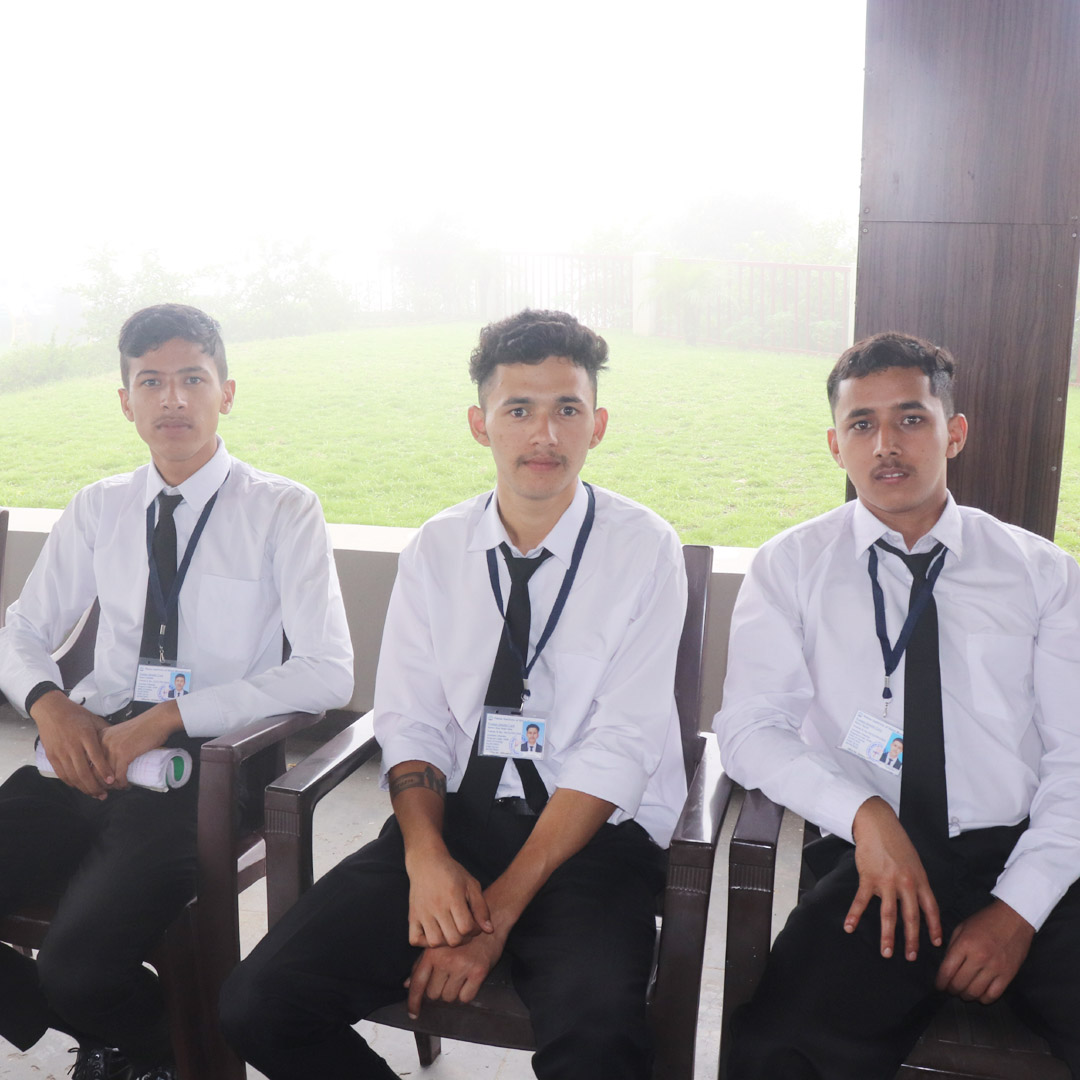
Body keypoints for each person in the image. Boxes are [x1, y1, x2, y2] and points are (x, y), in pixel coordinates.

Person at [221, 308, 688, 1080]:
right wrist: (426, 855)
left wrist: (493, 918)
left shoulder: (644, 549)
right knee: (259, 1005)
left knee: (599, 1041)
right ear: (481, 424)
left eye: (567, 409)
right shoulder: (438, 547)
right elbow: (412, 719)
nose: (545, 435)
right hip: (461, 820)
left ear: (598, 425)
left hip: (592, 838)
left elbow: (621, 745)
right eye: (519, 409)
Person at [0, 304, 354, 1080]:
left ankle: (150, 1045)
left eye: (192, 378)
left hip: (204, 768)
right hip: (86, 749)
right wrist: (49, 704)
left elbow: (330, 670)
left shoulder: (281, 509)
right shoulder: (100, 507)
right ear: (125, 401)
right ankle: (138, 1037)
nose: (172, 399)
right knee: (73, 972)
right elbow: (18, 630)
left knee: (76, 966)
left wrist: (170, 714)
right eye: (150, 382)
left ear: (227, 392)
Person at [714, 332, 1080, 1078]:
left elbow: (1075, 758)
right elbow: (750, 728)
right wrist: (865, 815)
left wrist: (1018, 910)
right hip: (877, 858)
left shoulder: (1041, 574)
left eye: (911, 419)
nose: (886, 444)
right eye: (862, 424)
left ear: (955, 431)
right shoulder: (792, 567)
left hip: (1027, 849)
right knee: (777, 1054)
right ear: (835, 445)